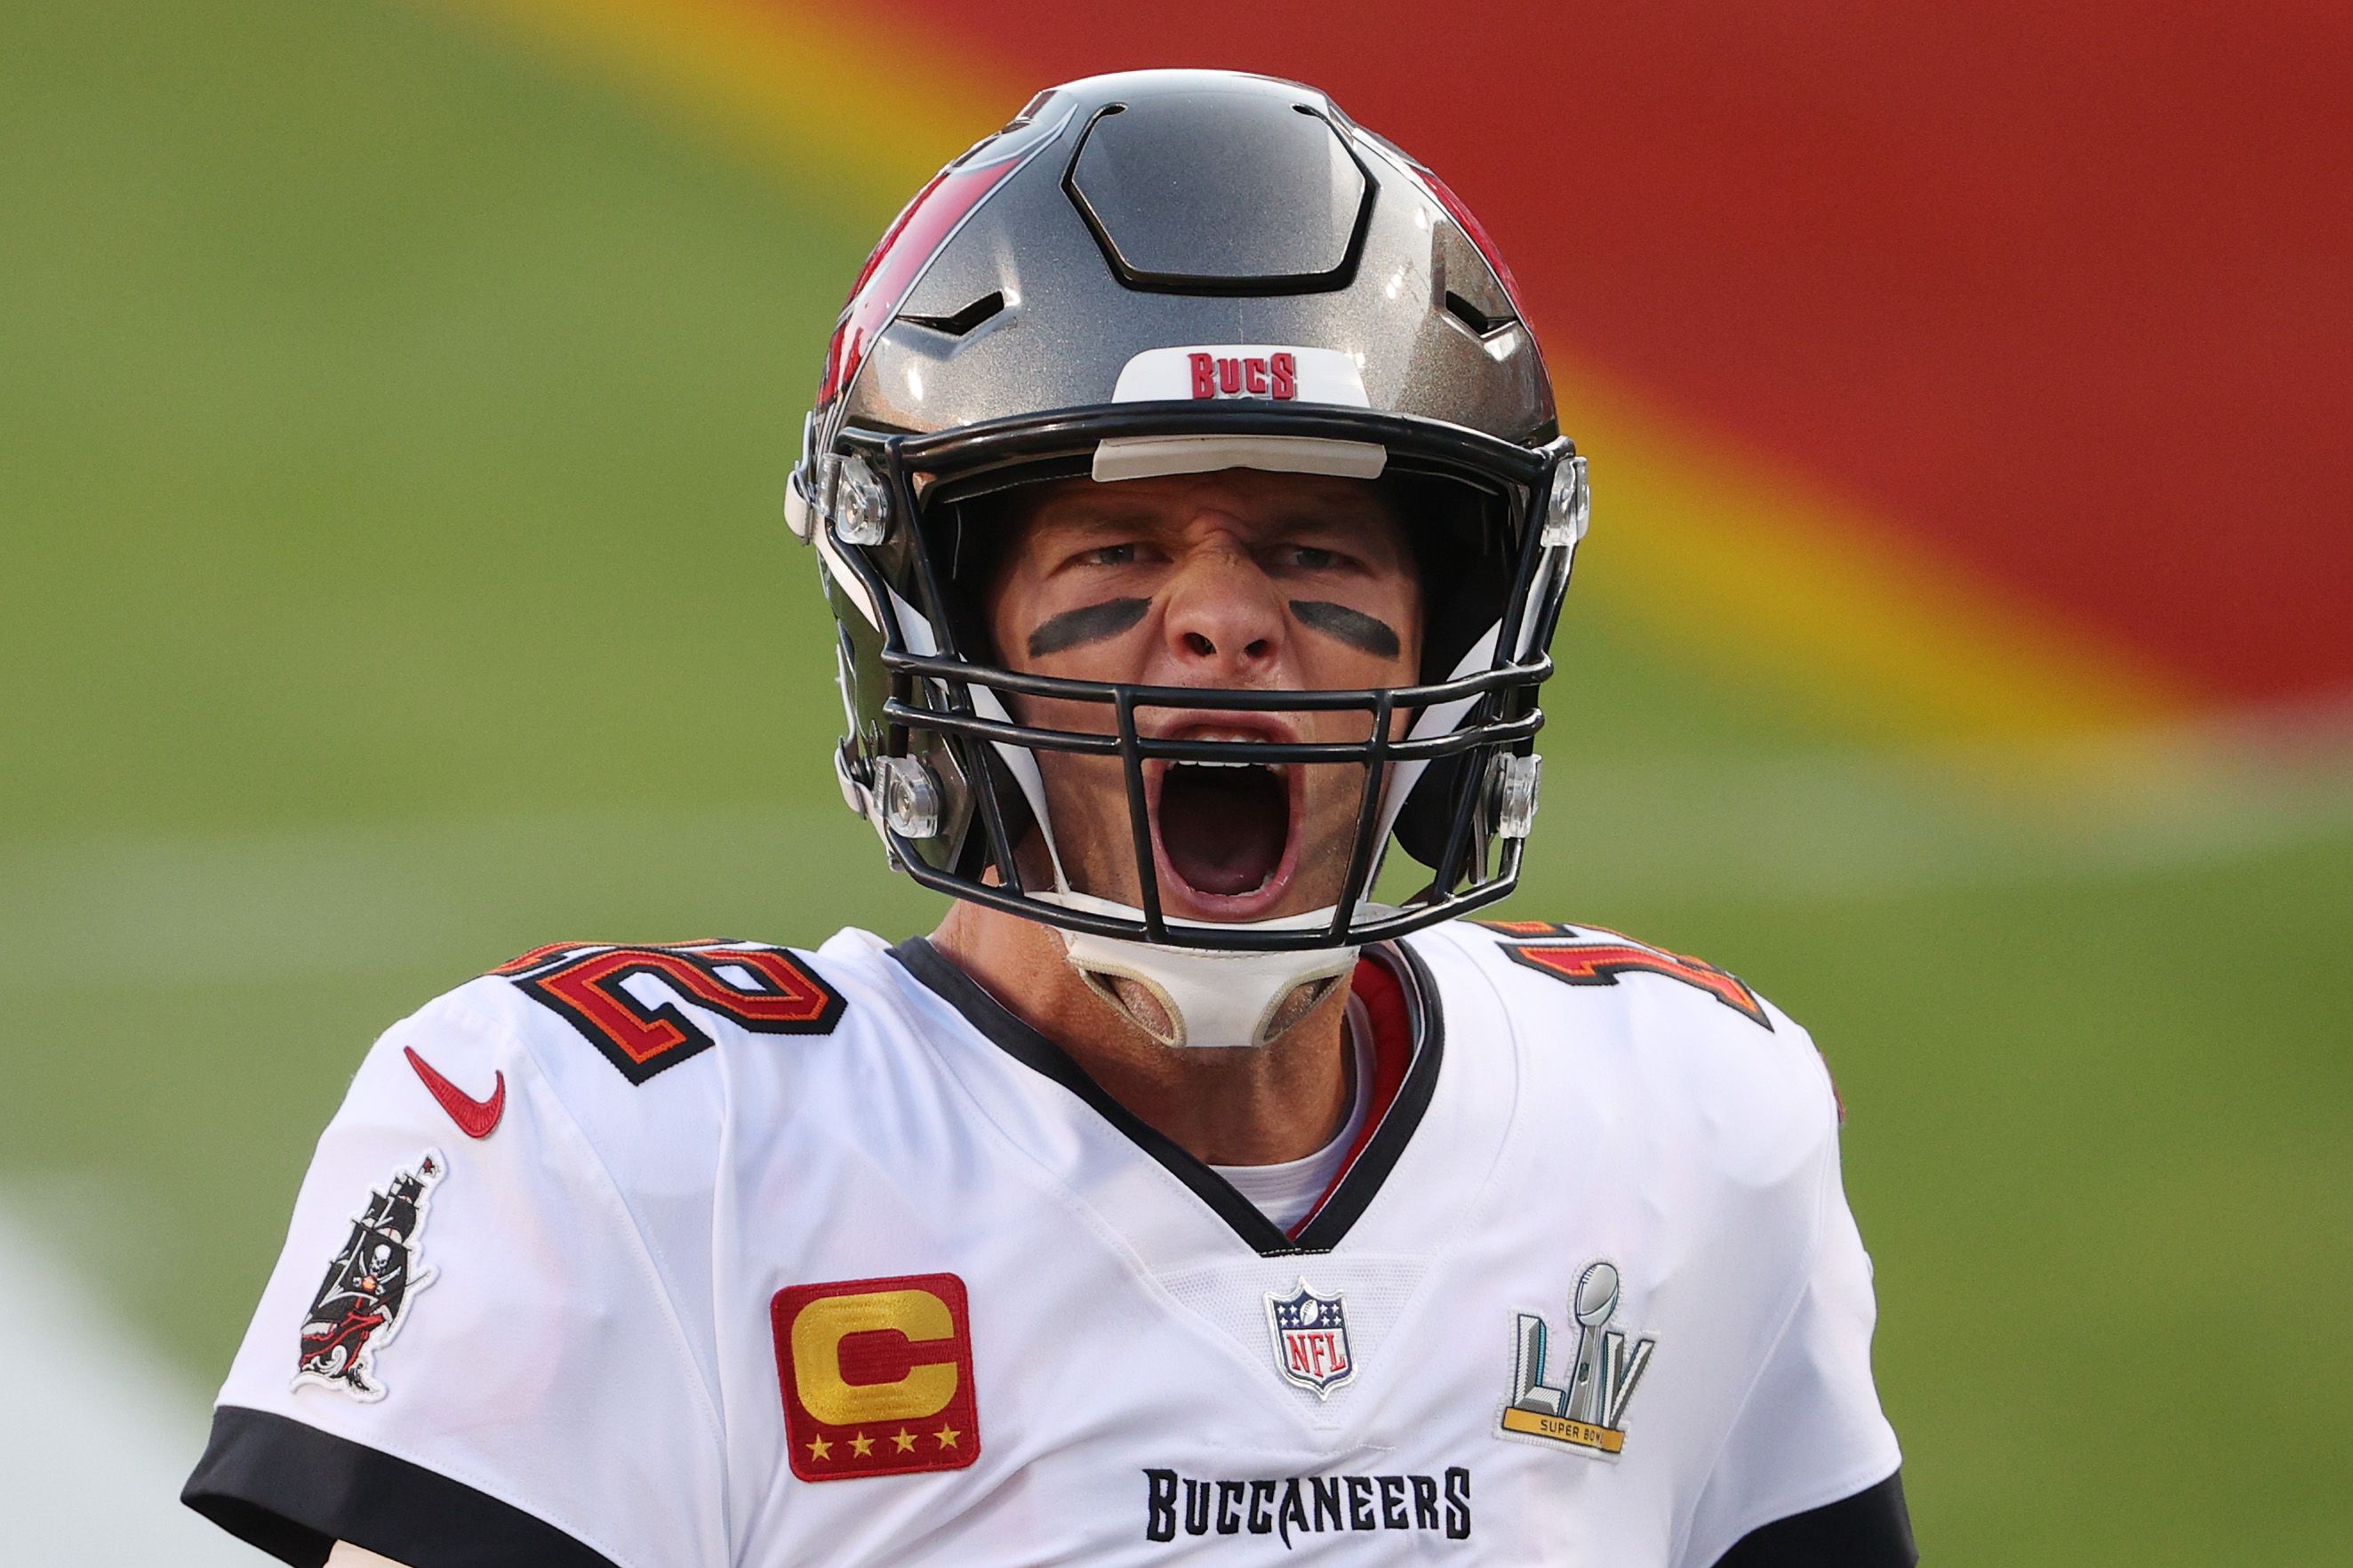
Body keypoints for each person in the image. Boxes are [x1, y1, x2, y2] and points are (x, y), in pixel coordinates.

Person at [184, 69, 1915, 1566]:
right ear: (945, 626)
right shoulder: (617, 1146)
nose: (1226, 621)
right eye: (1120, 551)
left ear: (1462, 633)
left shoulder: (1689, 1121)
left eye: (1314, 552)